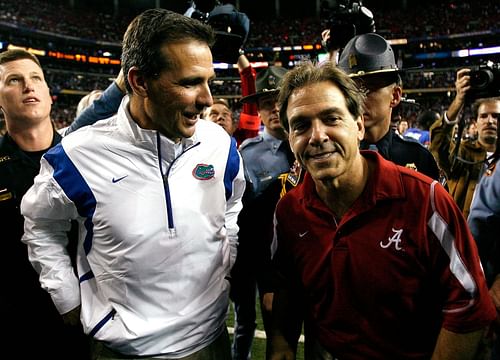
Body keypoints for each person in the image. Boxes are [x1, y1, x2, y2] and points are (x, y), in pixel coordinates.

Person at [21, 9, 245, 359]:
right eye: (189, 83)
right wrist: (65, 293)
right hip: (123, 349)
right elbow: (40, 222)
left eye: (209, 82)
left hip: (211, 339)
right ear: (140, 81)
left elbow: (231, 205)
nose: (207, 100)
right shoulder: (78, 155)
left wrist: (226, 256)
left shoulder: (219, 144)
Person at [267, 61, 495, 359]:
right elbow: (287, 289)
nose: (317, 136)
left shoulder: (425, 199)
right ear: (290, 137)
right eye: (301, 125)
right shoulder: (289, 212)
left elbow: (469, 303)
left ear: (358, 126)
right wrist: (282, 343)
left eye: (331, 119)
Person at [0, 49, 90, 358]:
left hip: (95, 321)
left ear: (50, 96)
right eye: (14, 80)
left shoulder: (89, 157)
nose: (28, 86)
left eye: (35, 78)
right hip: (19, 326)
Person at [230, 65, 294, 360]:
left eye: (280, 101)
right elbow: (244, 218)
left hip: (310, 255)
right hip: (266, 260)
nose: (274, 109)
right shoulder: (248, 154)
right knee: (271, 338)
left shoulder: (310, 140)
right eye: (267, 104)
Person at [337, 32, 440, 180]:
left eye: (367, 89)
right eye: (350, 90)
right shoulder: (331, 158)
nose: (356, 99)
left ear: (395, 96)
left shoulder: (419, 157)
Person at [429, 68, 499, 218]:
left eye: (496, 116)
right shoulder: (463, 154)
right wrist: (459, 99)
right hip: (462, 236)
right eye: (484, 116)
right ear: (476, 122)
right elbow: (438, 144)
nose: (490, 121)